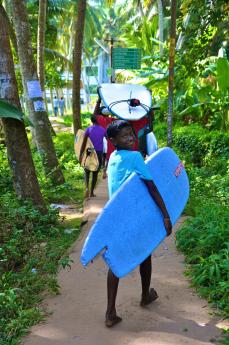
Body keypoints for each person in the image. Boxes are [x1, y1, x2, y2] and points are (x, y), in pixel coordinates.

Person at [105, 120, 172, 327]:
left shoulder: (113, 157)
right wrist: (165, 215)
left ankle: (110, 312)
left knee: (115, 260)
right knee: (146, 253)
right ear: (113, 140)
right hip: (133, 216)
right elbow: (151, 187)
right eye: (125, 136)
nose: (131, 138)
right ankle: (145, 295)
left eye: (132, 134)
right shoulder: (135, 157)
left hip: (116, 217)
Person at [79, 115, 106, 198]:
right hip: (99, 152)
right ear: (98, 121)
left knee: (87, 171)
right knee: (95, 173)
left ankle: (87, 188)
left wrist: (81, 154)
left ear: (91, 121)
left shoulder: (89, 129)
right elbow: (108, 139)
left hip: (89, 151)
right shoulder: (103, 129)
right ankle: (91, 193)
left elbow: (83, 142)